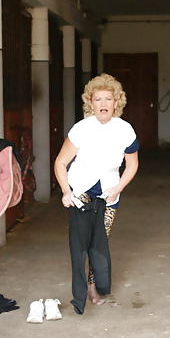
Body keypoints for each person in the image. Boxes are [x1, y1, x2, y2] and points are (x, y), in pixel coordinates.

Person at [54, 73, 139, 314]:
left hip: (109, 194)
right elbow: (60, 162)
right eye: (98, 99)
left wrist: (118, 188)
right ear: (90, 103)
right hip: (80, 194)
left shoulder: (125, 130)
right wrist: (65, 191)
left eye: (108, 99)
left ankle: (94, 287)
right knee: (80, 245)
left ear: (116, 102)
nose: (103, 104)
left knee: (100, 244)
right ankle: (80, 294)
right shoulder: (81, 129)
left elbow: (132, 165)